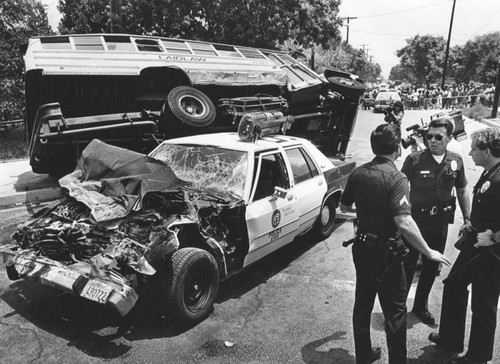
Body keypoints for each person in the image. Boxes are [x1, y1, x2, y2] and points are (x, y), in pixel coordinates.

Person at [340, 123, 450, 364]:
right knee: (396, 313)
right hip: (386, 253)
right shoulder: (397, 177)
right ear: (396, 150)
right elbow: (404, 221)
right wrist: (428, 251)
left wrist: (367, 212)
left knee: (362, 305)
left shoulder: (358, 173)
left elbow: (344, 206)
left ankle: (364, 356)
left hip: (362, 247)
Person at [429, 127, 500, 364]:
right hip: (475, 243)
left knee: (484, 304)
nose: (470, 153)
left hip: (491, 252)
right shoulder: (491, 171)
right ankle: (451, 338)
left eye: (474, 149)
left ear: (487, 151)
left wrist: (495, 237)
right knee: (454, 285)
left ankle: (477, 357)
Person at [401, 117, 471, 325]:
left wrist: (467, 218)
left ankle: (420, 305)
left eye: (438, 137)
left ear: (449, 138)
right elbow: (401, 190)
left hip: (439, 222)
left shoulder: (456, 161)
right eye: (428, 136)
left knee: (432, 265)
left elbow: (461, 189)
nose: (432, 140)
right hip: (416, 221)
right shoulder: (414, 160)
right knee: (407, 264)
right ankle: (398, 307)